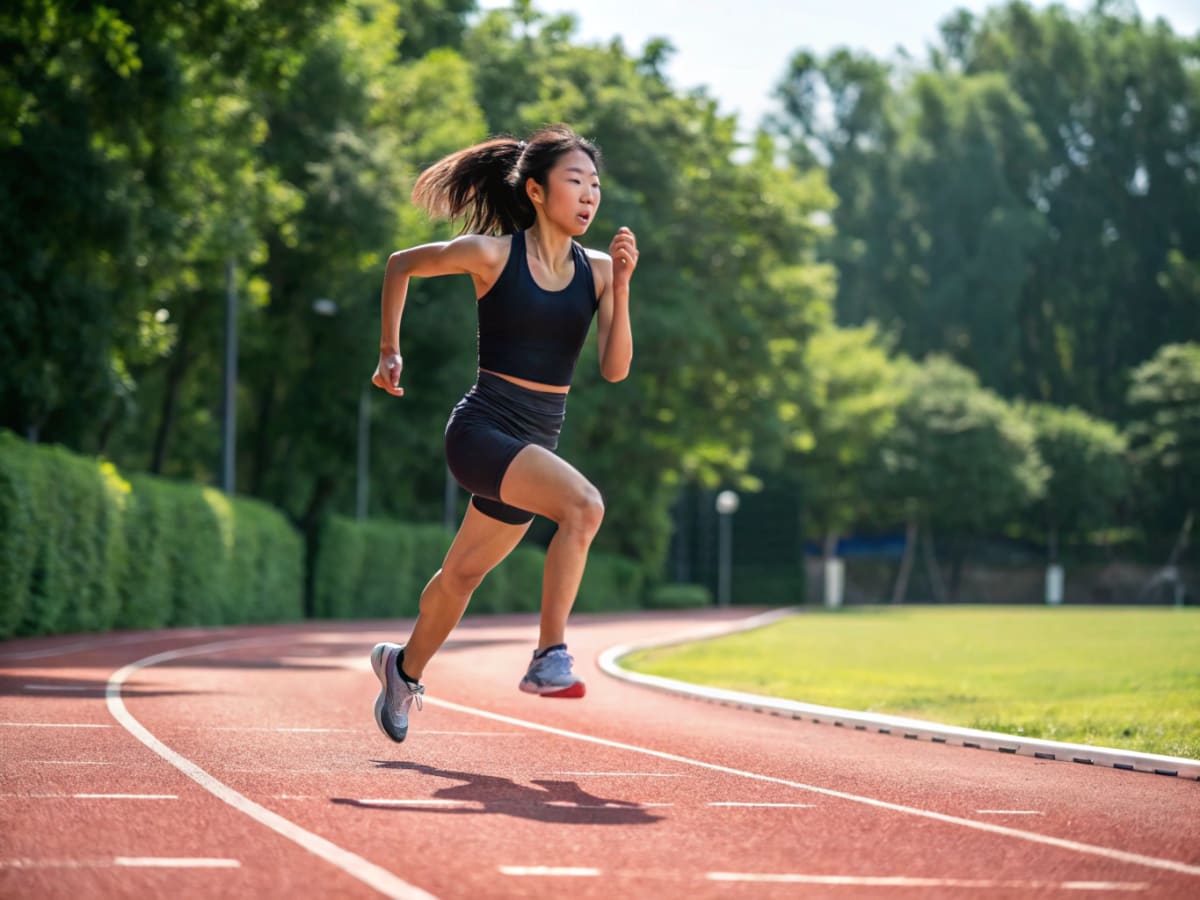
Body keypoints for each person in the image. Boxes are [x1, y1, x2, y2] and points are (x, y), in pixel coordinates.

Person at [369, 125, 638, 743]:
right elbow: (400, 265)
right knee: (583, 506)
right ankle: (549, 656)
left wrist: (621, 288)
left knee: (460, 576)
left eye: (595, 184)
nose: (589, 194)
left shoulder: (597, 272)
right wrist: (389, 351)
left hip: (532, 449)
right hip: (482, 432)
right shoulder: (492, 255)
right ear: (538, 191)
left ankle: (401, 669)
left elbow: (615, 369)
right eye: (576, 181)